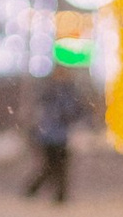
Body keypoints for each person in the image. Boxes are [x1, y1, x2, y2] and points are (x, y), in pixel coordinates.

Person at [23, 67, 84, 206]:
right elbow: (70, 111)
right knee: (53, 166)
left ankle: (57, 194)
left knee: (57, 166)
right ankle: (51, 193)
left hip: (57, 135)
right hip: (50, 135)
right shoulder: (54, 92)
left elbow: (74, 111)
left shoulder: (60, 92)